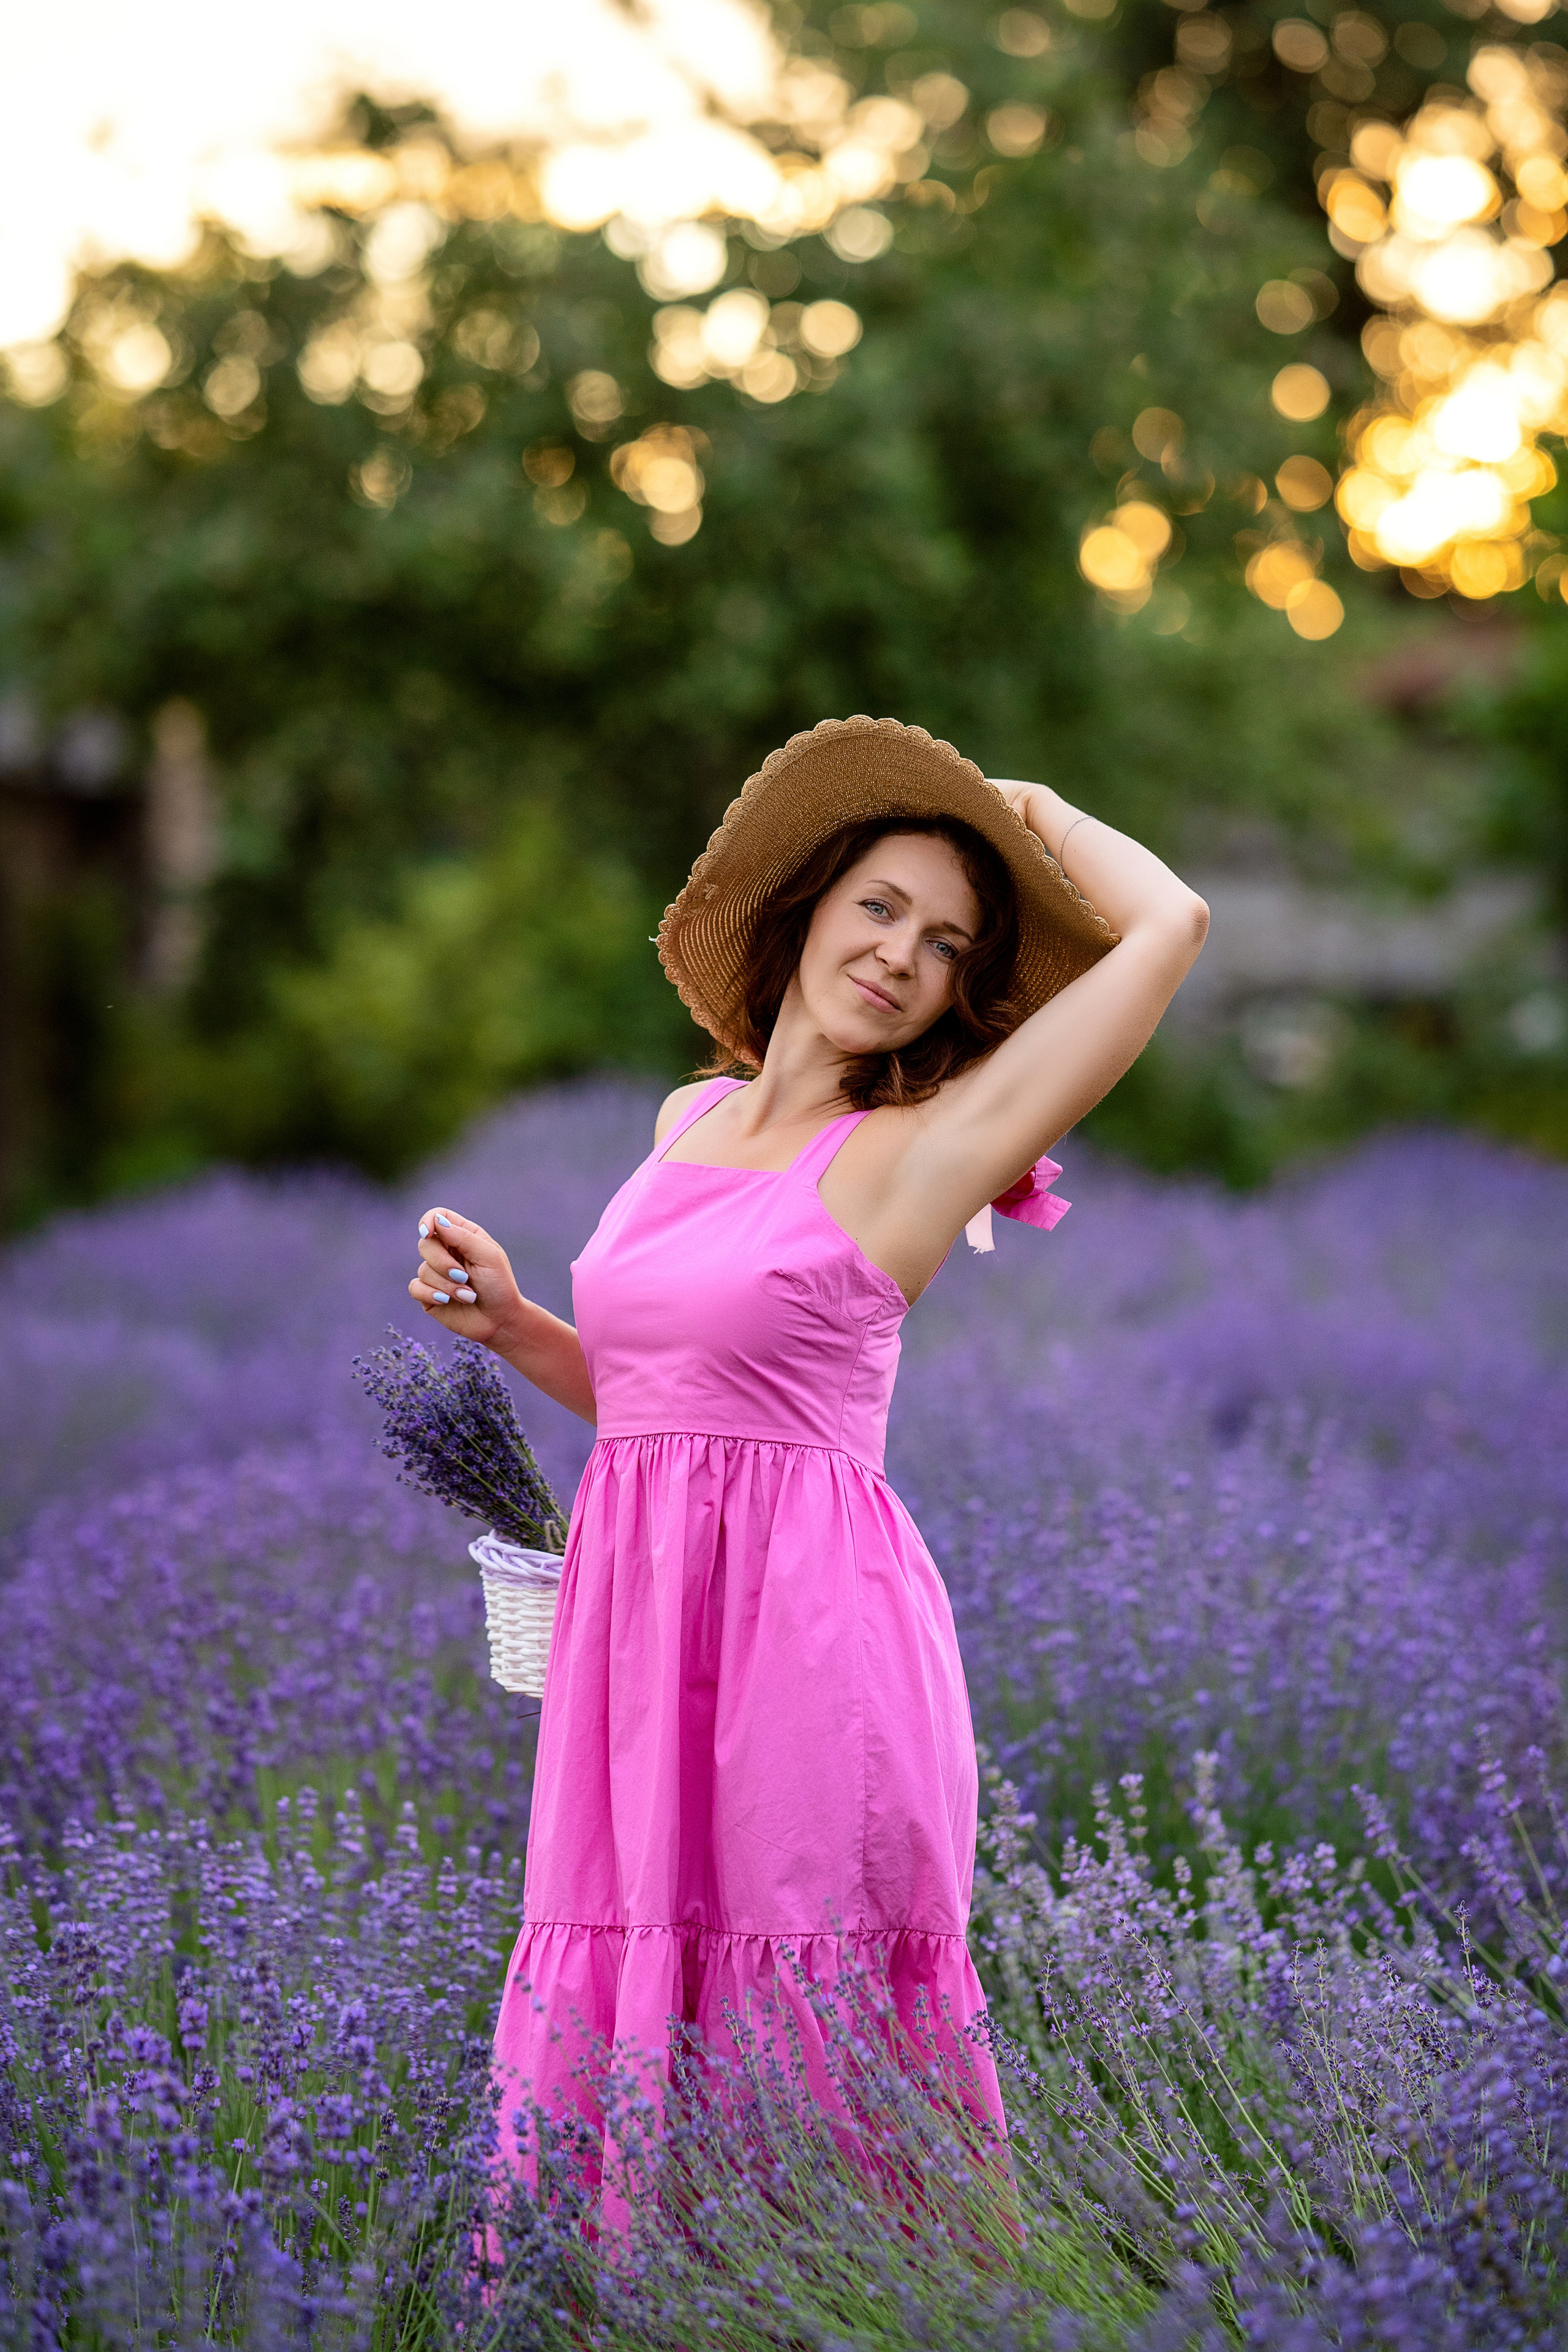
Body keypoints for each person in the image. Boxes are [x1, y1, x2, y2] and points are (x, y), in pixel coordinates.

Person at [409, 716, 1209, 2199]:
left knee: (796, 1997)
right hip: (638, 1641)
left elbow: (1168, 927)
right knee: (631, 1960)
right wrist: (517, 1327)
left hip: (807, 1643)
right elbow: (677, 1407)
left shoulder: (917, 1153)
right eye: (881, 907)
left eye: (950, 944)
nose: (904, 954)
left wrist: (1019, 802)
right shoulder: (686, 1119)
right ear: (810, 913)